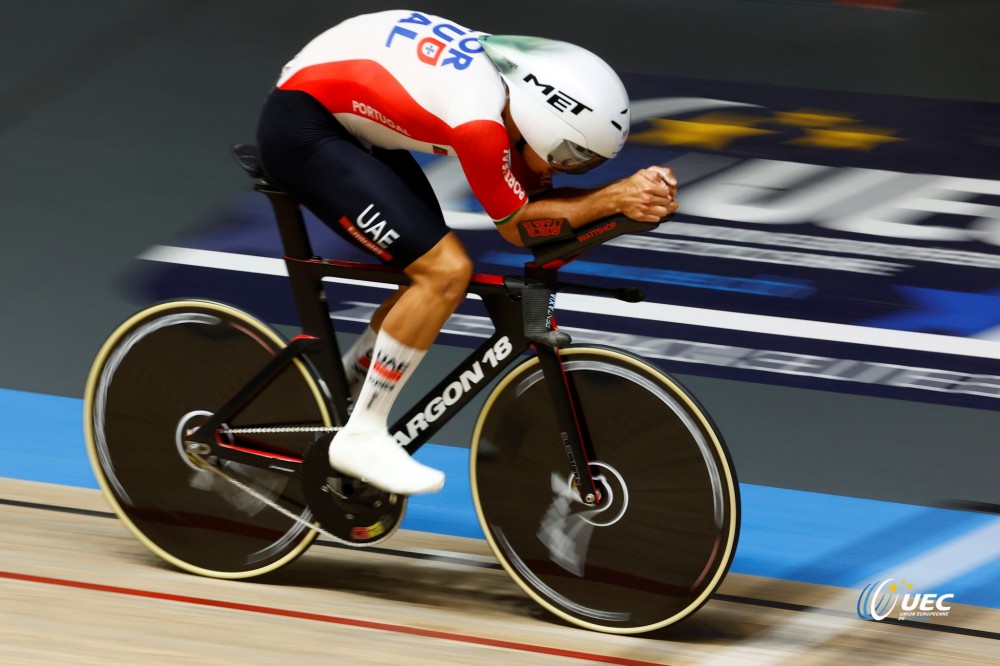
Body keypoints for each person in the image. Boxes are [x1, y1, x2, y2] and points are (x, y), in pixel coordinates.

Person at [256, 10, 678, 496]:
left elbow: (540, 210)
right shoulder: (479, 122)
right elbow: (522, 228)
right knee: (444, 272)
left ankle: (343, 389)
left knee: (424, 276)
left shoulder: (518, 93)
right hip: (304, 126)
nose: (568, 170)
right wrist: (613, 198)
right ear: (537, 123)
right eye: (570, 156)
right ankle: (361, 434)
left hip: (346, 115)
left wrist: (622, 200)